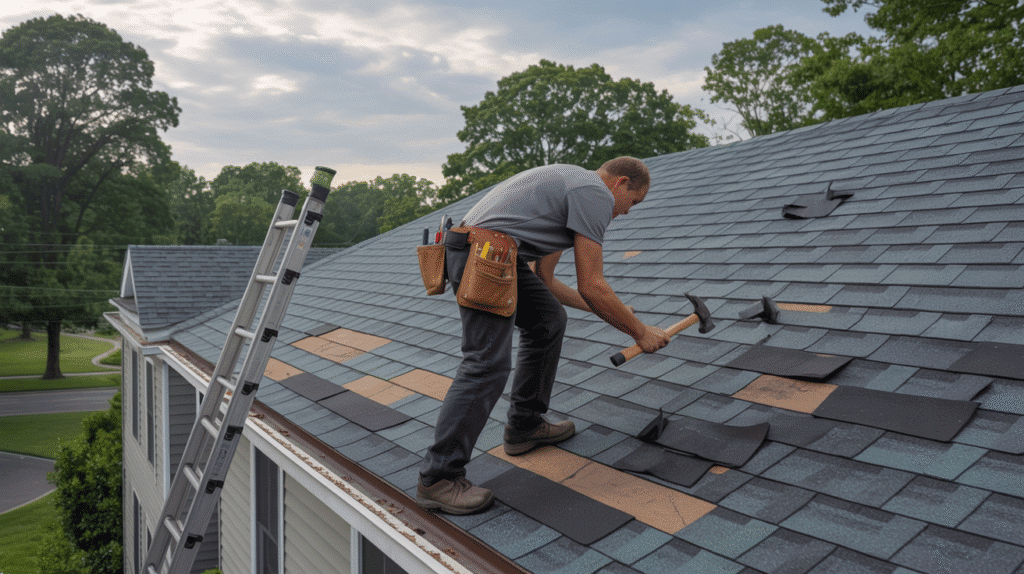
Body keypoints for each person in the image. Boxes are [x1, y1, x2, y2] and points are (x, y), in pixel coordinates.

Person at [417, 157, 671, 514]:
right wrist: (639, 333)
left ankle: (525, 425)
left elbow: (549, 285)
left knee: (548, 321)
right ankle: (438, 478)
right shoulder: (594, 193)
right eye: (634, 201)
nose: (628, 212)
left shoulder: (569, 190)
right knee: (487, 364)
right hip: (485, 254)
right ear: (620, 183)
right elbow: (594, 286)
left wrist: (632, 321)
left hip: (496, 254)